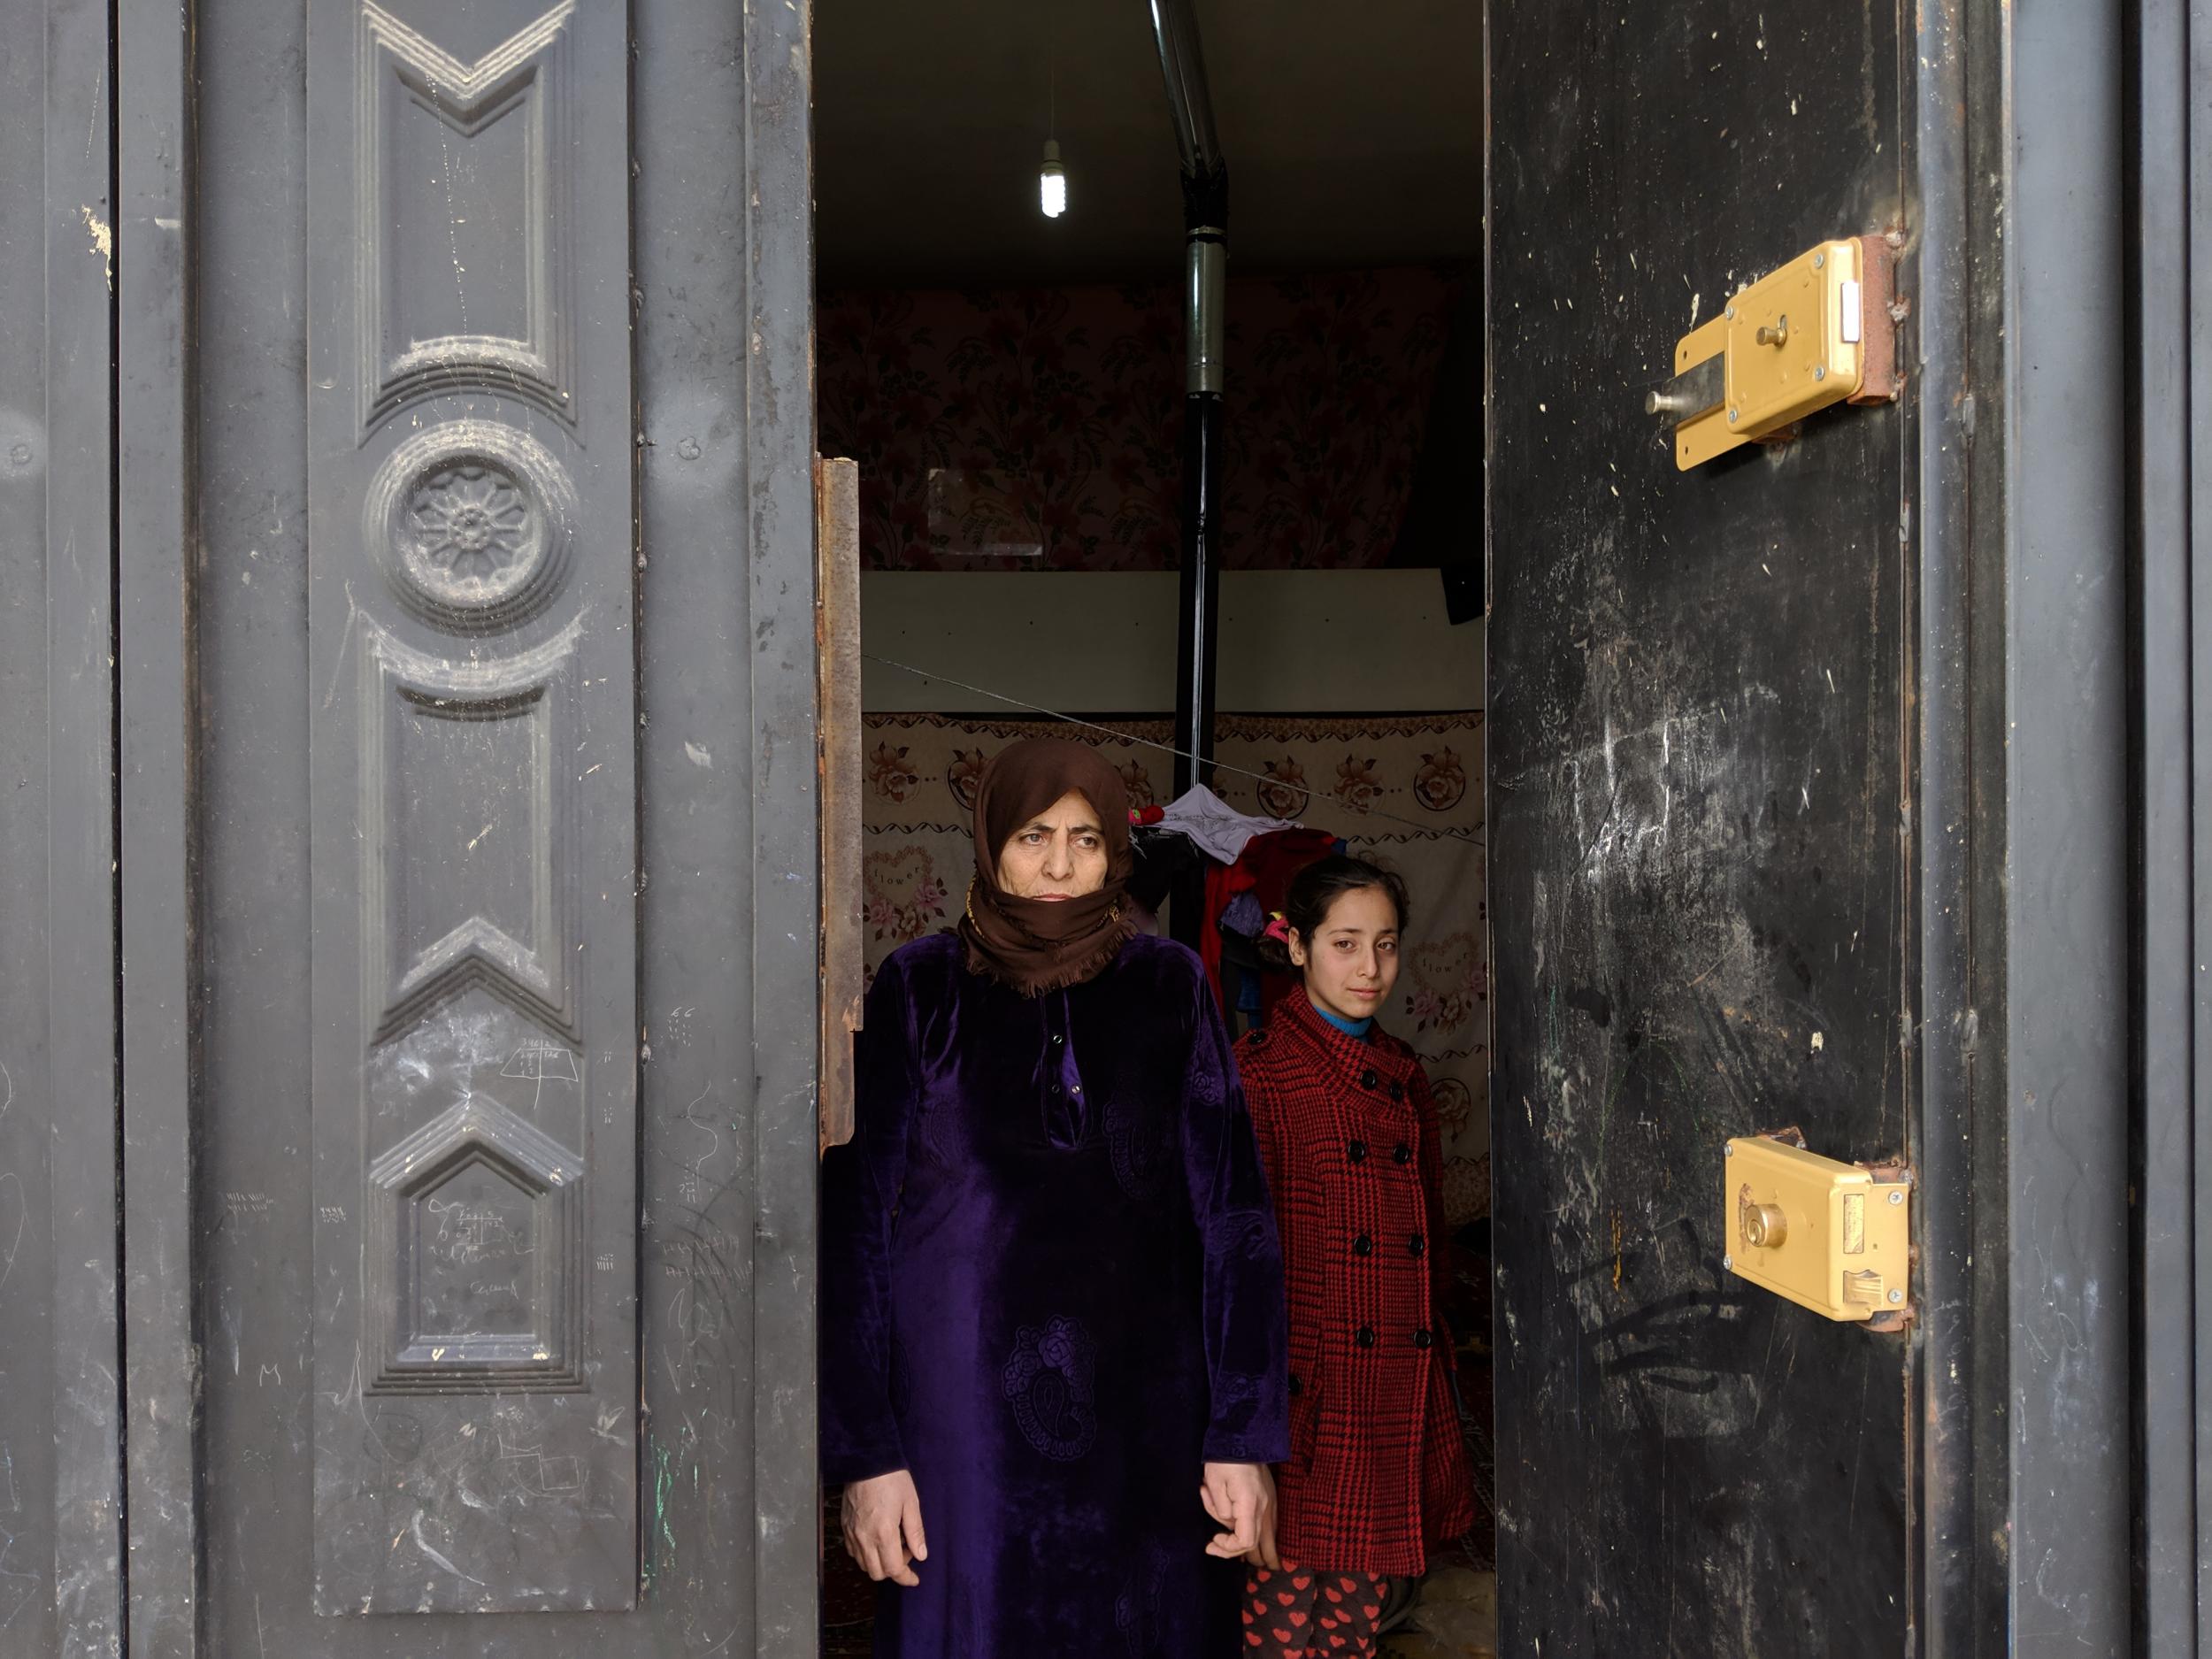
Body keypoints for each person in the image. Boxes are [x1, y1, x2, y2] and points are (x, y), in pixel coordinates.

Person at [820, 736, 1290, 1658]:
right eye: (1035, 836)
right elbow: (856, 1234)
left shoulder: (1168, 985)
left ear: (1116, 851)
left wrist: (1241, 1434)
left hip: (1148, 1416)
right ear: (992, 838)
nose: (1061, 867)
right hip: (958, 1426)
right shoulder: (920, 988)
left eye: (1085, 839)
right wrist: (866, 1454)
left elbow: (1234, 1222)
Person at [1233, 856, 1476, 1656]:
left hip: (1386, 1403)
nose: (1370, 968)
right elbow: (1227, 1268)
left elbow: (1433, 1252)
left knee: (1353, 1633)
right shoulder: (1257, 1077)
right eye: (1344, 943)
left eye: (1386, 944)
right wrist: (1240, 1434)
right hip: (1301, 1410)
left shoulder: (1404, 1075)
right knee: (1276, 1629)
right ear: (1296, 946)